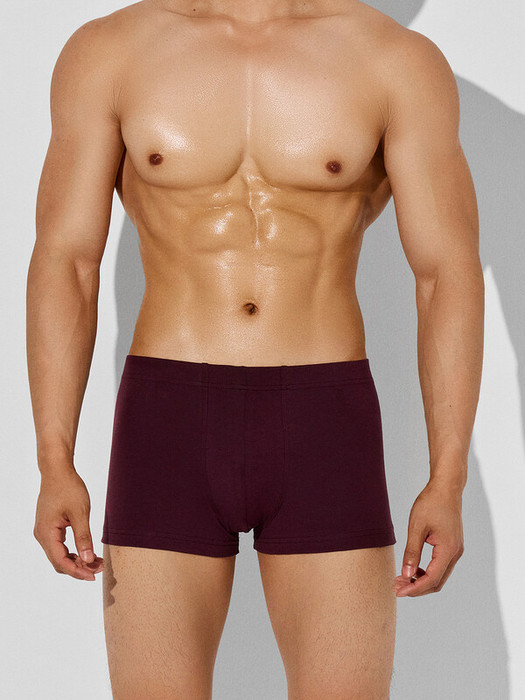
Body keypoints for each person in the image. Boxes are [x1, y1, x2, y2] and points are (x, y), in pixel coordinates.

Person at [26, 0, 484, 697]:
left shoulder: (393, 61)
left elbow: (445, 274)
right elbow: (67, 261)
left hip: (323, 419)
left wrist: (447, 478)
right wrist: (53, 458)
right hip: (168, 418)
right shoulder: (111, 51)